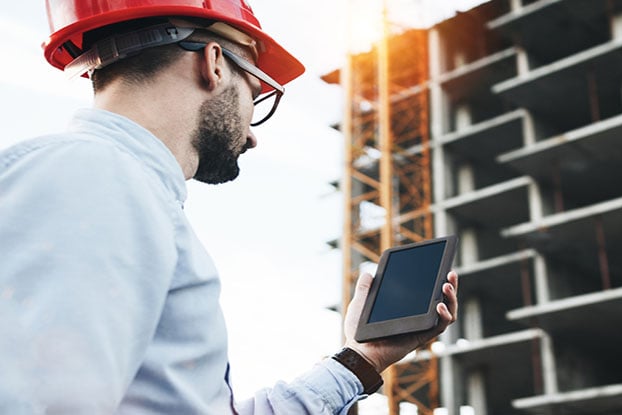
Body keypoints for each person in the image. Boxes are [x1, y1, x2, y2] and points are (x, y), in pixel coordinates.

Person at [0, 1, 459, 414]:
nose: (254, 134)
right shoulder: (94, 177)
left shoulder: (114, 189)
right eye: (255, 96)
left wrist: (363, 359)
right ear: (214, 63)